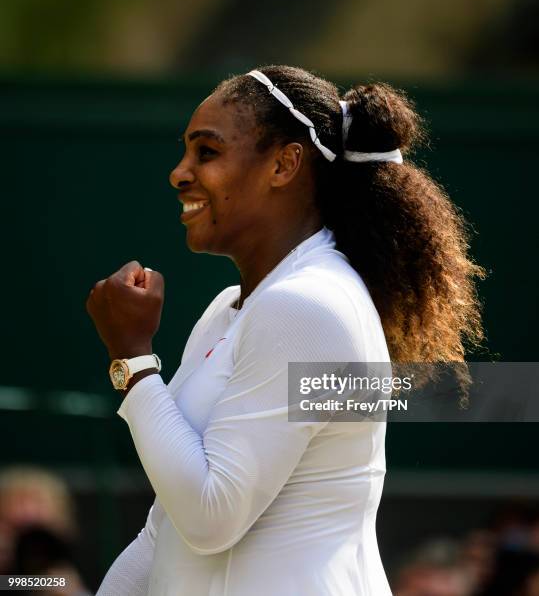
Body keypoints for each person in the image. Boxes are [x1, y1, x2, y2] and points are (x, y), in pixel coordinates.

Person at [86, 65, 485, 595]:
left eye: (206, 152)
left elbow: (210, 518)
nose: (179, 174)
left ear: (284, 163)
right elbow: (166, 529)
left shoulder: (307, 307)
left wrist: (133, 361)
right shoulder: (235, 308)